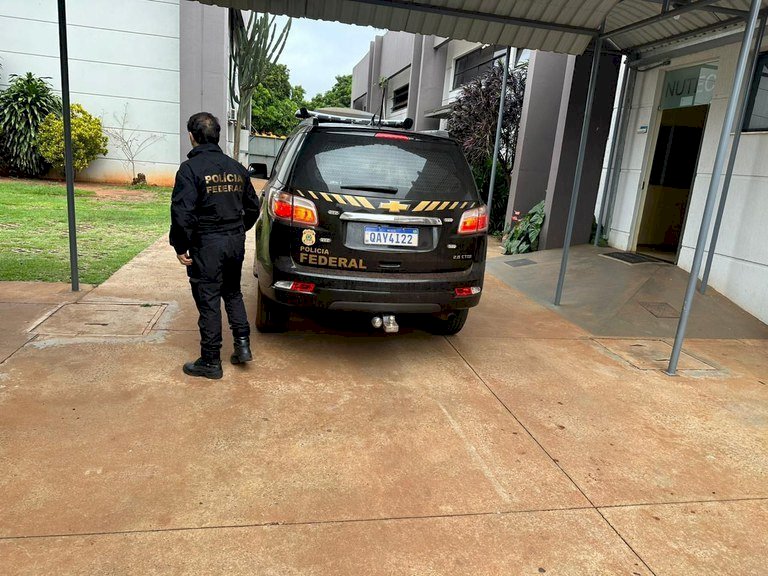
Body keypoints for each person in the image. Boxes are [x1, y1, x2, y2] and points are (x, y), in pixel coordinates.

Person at [170, 112, 260, 379]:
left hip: (207, 243)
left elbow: (182, 213)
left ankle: (210, 360)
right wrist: (238, 230)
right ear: (217, 136)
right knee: (232, 291)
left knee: (208, 297)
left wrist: (180, 246)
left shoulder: (190, 170)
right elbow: (253, 207)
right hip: (234, 242)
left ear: (192, 136)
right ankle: (242, 346)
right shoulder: (237, 168)